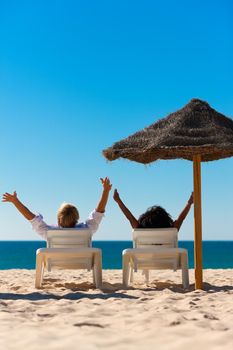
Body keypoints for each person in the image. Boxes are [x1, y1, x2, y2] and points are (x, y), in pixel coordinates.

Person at [2, 177, 112, 240]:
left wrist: (15, 201)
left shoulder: (49, 232)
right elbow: (99, 211)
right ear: (77, 218)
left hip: (55, 263)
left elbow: (31, 217)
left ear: (59, 219)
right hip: (83, 262)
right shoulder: (87, 229)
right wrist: (106, 191)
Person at [113, 189, 193, 231]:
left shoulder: (139, 229)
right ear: (165, 219)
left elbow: (129, 217)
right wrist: (189, 203)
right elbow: (181, 219)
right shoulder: (172, 230)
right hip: (167, 262)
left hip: (144, 263)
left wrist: (118, 201)